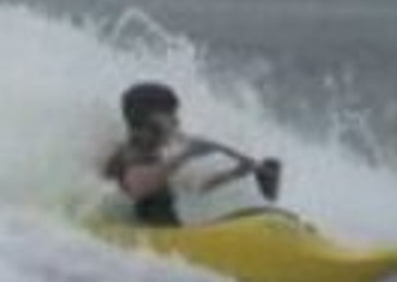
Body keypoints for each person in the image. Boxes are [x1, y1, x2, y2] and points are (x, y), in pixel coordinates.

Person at [102, 82, 282, 226]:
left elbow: (192, 187)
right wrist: (184, 156)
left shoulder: (153, 154)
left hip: (167, 234)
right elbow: (137, 186)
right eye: (170, 115)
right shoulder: (130, 153)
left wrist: (236, 173)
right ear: (149, 119)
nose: (176, 121)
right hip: (150, 240)